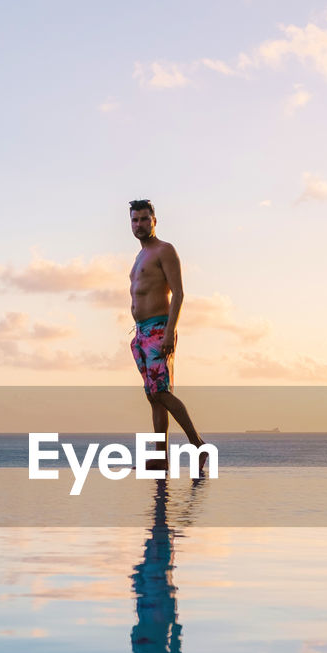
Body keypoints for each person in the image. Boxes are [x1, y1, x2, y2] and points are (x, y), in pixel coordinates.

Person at [127, 198, 207, 471]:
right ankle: (161, 457)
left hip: (160, 329)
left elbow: (179, 293)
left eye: (144, 219)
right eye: (135, 220)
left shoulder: (164, 250)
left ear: (154, 221)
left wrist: (170, 332)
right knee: (153, 395)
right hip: (141, 333)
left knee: (161, 392)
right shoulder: (139, 257)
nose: (139, 224)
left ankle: (198, 445)